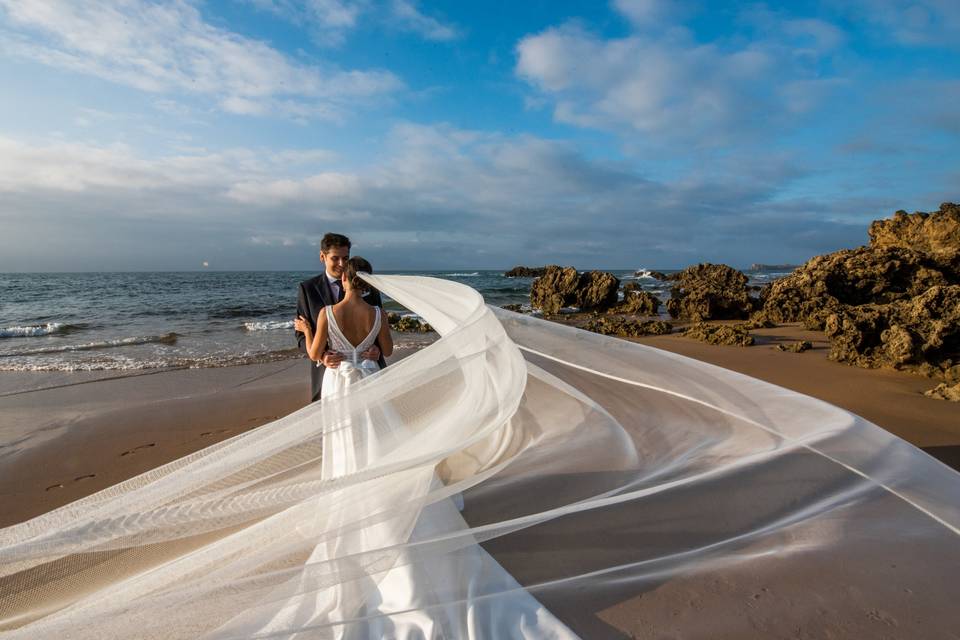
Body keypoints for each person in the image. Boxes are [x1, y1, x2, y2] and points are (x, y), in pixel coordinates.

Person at [295, 233, 386, 401]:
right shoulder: (308, 289)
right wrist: (322, 357)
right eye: (335, 258)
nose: (342, 264)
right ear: (322, 256)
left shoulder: (369, 288)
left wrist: (378, 349)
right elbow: (300, 336)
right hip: (330, 377)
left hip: (367, 372)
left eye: (345, 258)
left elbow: (379, 326)